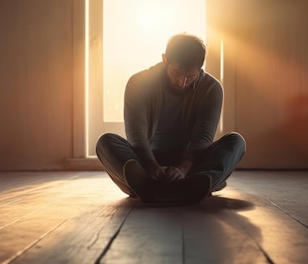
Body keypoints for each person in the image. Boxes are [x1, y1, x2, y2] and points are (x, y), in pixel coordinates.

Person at [96, 33, 246, 204]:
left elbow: (202, 138)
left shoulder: (211, 88)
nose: (182, 82)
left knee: (236, 142)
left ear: (199, 68)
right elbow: (136, 135)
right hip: (146, 164)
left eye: (190, 77)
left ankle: (188, 185)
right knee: (105, 142)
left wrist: (183, 169)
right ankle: (149, 185)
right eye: (177, 73)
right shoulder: (138, 83)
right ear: (164, 59)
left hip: (191, 166)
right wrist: (152, 167)